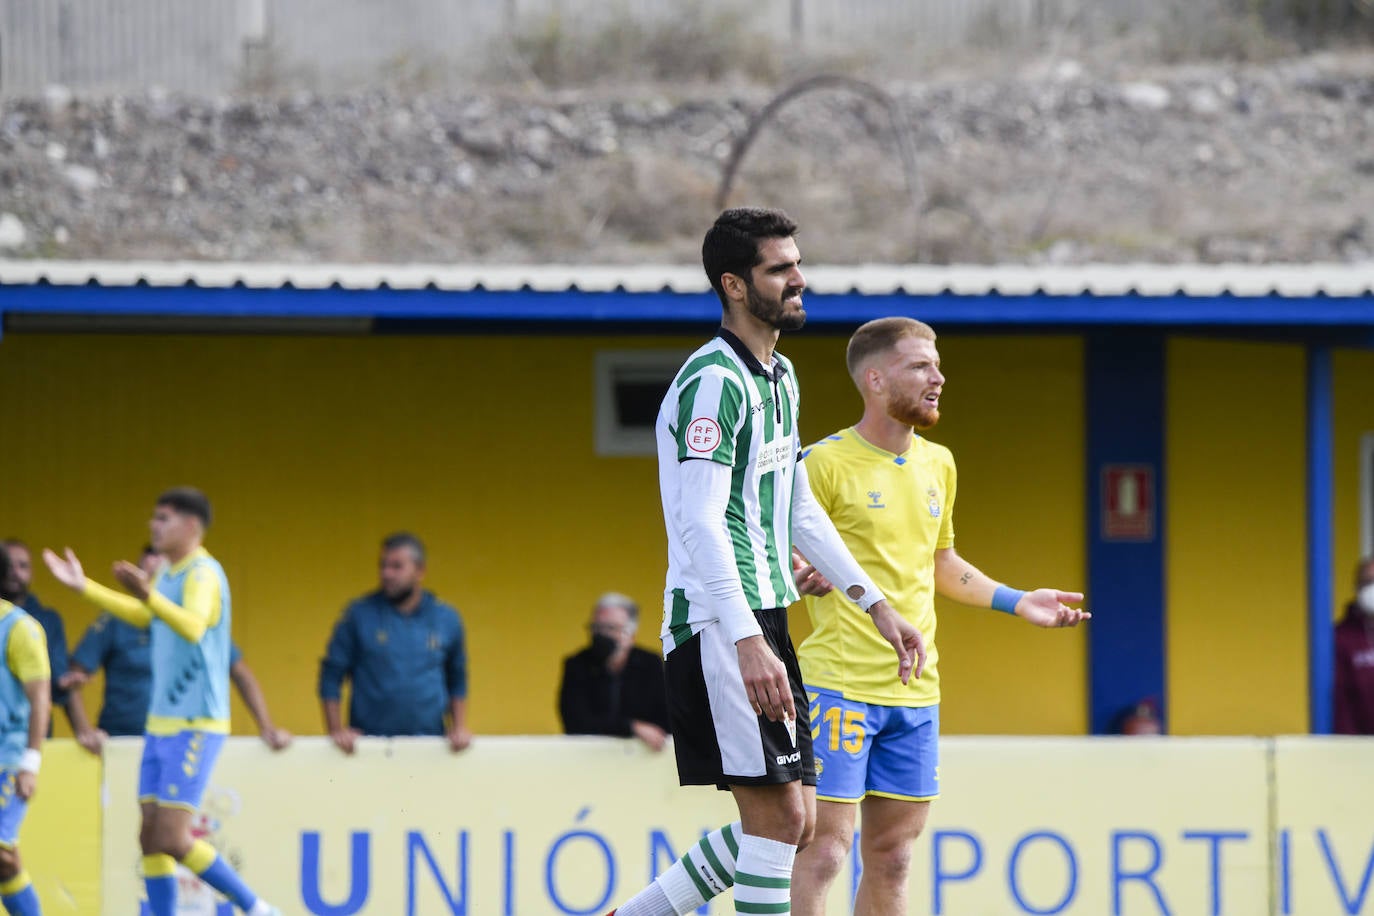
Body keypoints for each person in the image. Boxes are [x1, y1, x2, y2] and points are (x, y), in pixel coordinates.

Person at [606, 207, 925, 916]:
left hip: (762, 617)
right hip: (720, 622)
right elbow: (698, 521)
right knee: (780, 823)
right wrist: (747, 639)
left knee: (799, 821)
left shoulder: (778, 377)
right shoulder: (714, 381)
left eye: (796, 263)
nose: (798, 278)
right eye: (779, 268)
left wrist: (874, 603)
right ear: (735, 285)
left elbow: (797, 508)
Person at [788, 316, 1089, 916]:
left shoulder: (939, 464)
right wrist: (804, 578)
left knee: (894, 855)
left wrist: (1018, 599)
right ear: (875, 379)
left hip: (916, 690)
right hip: (838, 685)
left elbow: (940, 562)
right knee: (825, 851)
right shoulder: (820, 463)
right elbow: (786, 561)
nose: (939, 378)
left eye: (938, 364)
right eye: (921, 366)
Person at [42, 487, 281, 916]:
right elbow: (144, 616)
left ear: (191, 526)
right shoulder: (170, 572)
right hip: (161, 724)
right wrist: (85, 587)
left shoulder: (202, 573)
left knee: (172, 837)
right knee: (149, 837)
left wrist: (147, 594)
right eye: (154, 517)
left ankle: (256, 907)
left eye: (163, 518)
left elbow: (193, 627)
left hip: (196, 723)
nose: (154, 525)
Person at [59, 545, 292, 754]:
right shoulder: (115, 621)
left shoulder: (192, 618)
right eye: (144, 577)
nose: (149, 585)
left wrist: (266, 726)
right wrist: (85, 731)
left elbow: (240, 673)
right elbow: (73, 677)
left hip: (186, 738)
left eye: (159, 576)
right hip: (124, 742)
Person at [318, 532, 471, 753]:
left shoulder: (446, 618)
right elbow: (331, 676)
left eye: (397, 566)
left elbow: (457, 678)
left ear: (420, 571)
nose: (386, 574)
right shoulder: (359, 615)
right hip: (369, 748)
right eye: (383, 566)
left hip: (429, 747)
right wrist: (336, 731)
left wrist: (458, 728)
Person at [0, 545, 49, 916]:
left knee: (1, 853)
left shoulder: (19, 628)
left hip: (9, 759)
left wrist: (31, 762)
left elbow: (40, 697)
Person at [1, 539, 90, 740]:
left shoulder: (47, 620)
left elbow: (56, 681)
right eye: (7, 565)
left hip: (32, 732)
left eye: (22, 565)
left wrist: (67, 683)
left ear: (31, 573)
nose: (14, 571)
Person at [559, 592, 670, 751]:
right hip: (590, 761)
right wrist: (632, 727)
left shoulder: (650, 664)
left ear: (631, 634)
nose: (601, 634)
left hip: (643, 762)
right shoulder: (577, 665)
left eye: (611, 628)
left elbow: (665, 722)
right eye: (596, 627)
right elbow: (576, 723)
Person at [1334, 556, 1374, 734]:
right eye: (1367, 582)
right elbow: (1340, 701)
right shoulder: (1340, 638)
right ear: (1356, 588)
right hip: (1356, 748)